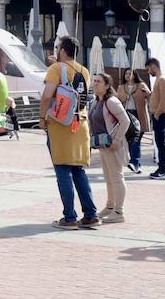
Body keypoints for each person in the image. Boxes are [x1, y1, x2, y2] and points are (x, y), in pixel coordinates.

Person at [41, 36, 96, 229]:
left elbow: (47, 95)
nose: (56, 51)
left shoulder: (56, 69)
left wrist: (41, 118)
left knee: (62, 169)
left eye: (57, 48)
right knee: (78, 170)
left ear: (63, 50)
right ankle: (90, 215)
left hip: (60, 125)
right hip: (80, 123)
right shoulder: (85, 70)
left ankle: (70, 217)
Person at [90, 74, 130, 223]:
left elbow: (125, 121)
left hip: (112, 146)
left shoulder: (111, 101)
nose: (95, 84)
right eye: (94, 81)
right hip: (102, 145)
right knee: (108, 178)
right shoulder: (95, 101)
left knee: (117, 177)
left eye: (99, 81)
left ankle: (119, 212)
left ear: (107, 85)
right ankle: (110, 206)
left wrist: (117, 140)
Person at [145, 56, 165, 179]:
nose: (148, 72)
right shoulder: (159, 80)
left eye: (148, 69)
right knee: (160, 142)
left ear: (153, 66)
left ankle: (164, 169)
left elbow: (164, 100)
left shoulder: (162, 80)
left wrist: (156, 114)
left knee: (162, 142)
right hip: (159, 114)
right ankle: (162, 168)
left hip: (162, 115)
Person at [121, 68, 151, 174]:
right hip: (126, 115)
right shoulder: (121, 87)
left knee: (135, 140)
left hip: (139, 115)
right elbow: (118, 99)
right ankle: (136, 164)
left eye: (130, 73)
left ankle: (134, 162)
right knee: (130, 140)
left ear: (135, 75)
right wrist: (126, 96)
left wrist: (148, 93)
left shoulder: (141, 85)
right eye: (126, 73)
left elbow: (149, 97)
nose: (128, 75)